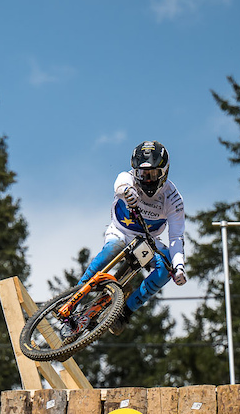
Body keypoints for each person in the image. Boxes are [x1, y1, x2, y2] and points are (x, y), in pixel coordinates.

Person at [71, 140, 186, 333]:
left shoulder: (173, 198)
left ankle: (124, 313)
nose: (147, 180)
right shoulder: (128, 178)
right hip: (121, 232)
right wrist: (126, 191)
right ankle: (76, 294)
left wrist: (179, 265)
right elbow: (120, 182)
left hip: (148, 242)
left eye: (153, 174)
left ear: (164, 172)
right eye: (142, 174)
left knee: (166, 268)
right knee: (112, 248)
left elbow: (176, 237)